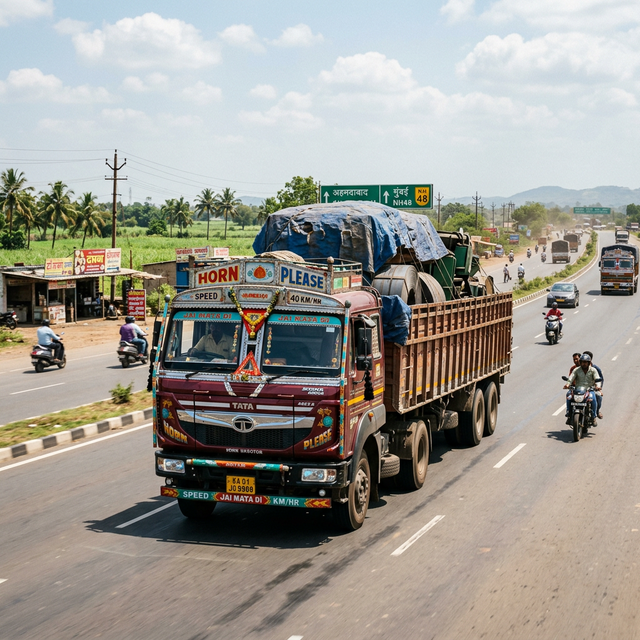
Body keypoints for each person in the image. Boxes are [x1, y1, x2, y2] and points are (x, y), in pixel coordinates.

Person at [564, 354, 601, 425]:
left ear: (588, 363)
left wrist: (598, 386)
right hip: (578, 390)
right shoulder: (576, 370)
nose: (584, 364)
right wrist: (568, 384)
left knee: (593, 398)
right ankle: (569, 413)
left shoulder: (593, 370)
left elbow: (597, 379)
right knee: (569, 396)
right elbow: (571, 378)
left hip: (589, 390)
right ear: (580, 362)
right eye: (583, 362)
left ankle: (593, 417)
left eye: (585, 362)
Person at [583, 350, 604, 419]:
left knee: (598, 396)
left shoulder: (595, 369)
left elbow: (600, 379)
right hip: (581, 388)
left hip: (592, 388)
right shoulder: (579, 368)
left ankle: (596, 412)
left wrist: (598, 387)